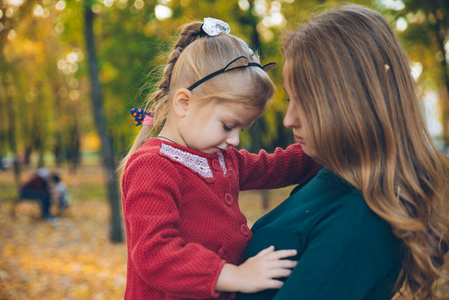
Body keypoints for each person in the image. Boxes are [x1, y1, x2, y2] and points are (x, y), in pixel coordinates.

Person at [236, 5, 449, 300]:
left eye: (305, 101)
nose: (289, 119)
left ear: (352, 100)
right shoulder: (329, 173)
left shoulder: (363, 218)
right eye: (290, 98)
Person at [119, 18, 321, 300]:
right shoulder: (152, 165)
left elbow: (276, 167)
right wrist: (234, 276)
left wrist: (326, 145)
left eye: (242, 129)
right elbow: (154, 254)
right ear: (184, 103)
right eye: (228, 126)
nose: (235, 140)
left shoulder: (223, 159)